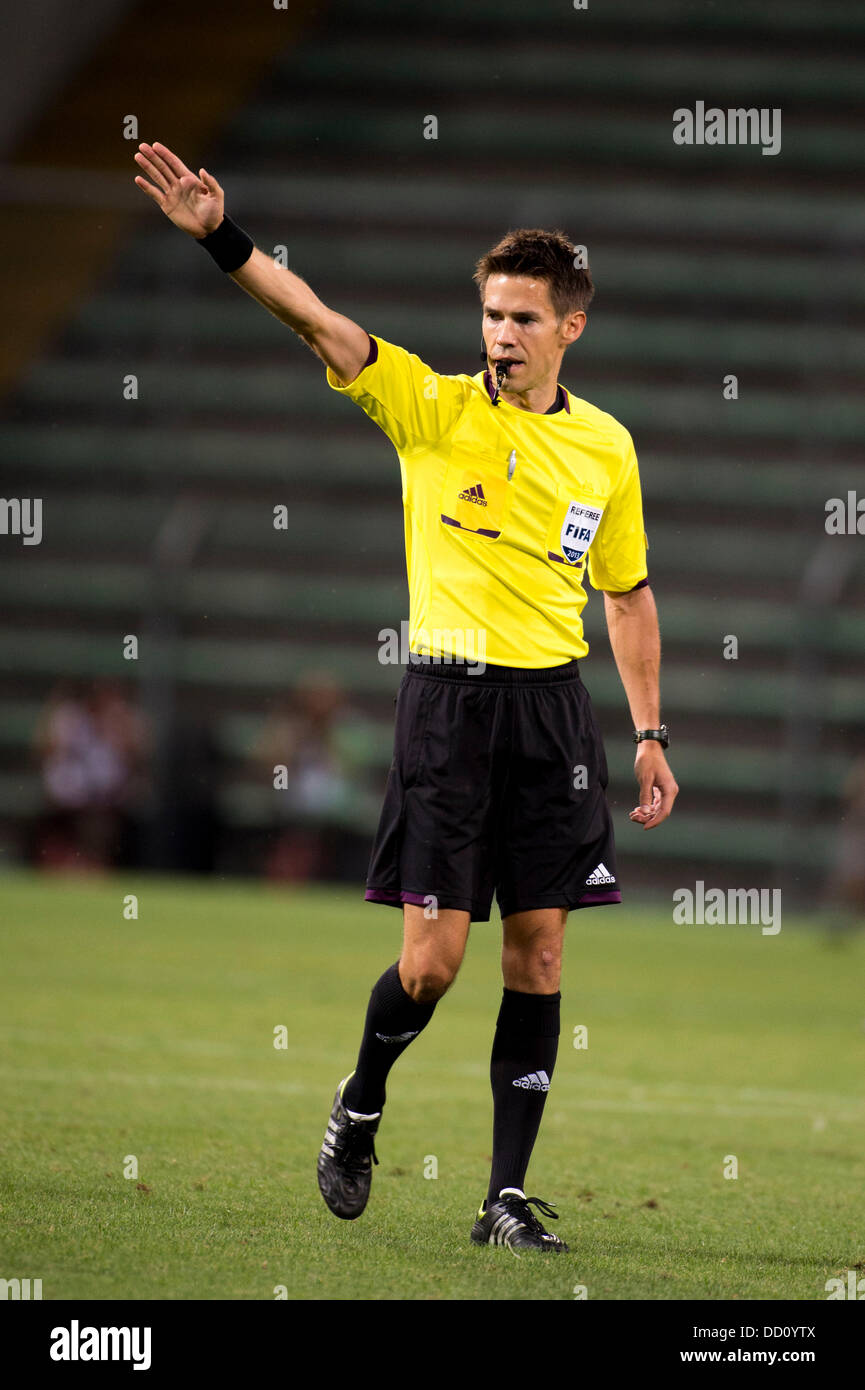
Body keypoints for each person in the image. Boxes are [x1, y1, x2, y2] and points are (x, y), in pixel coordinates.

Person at [133, 141, 679, 1253]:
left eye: (524, 317)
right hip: (447, 708)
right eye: (491, 313)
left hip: (554, 715)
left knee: (540, 953)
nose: (501, 334)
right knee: (432, 965)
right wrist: (222, 238)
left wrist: (650, 730)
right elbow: (321, 323)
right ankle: (361, 1100)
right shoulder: (430, 408)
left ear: (570, 326)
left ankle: (504, 1199)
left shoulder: (605, 448)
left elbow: (624, 595)